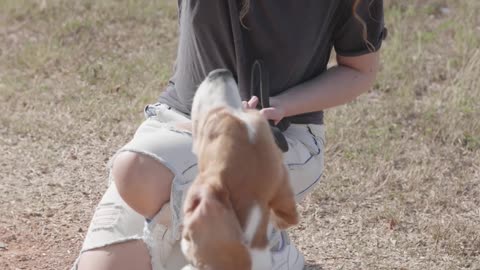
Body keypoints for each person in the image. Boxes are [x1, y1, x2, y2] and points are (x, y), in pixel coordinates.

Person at [72, 0, 386, 269]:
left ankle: (266, 253)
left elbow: (360, 71)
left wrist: (278, 107)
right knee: (135, 180)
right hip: (178, 125)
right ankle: (236, 243)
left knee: (138, 167)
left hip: (275, 141)